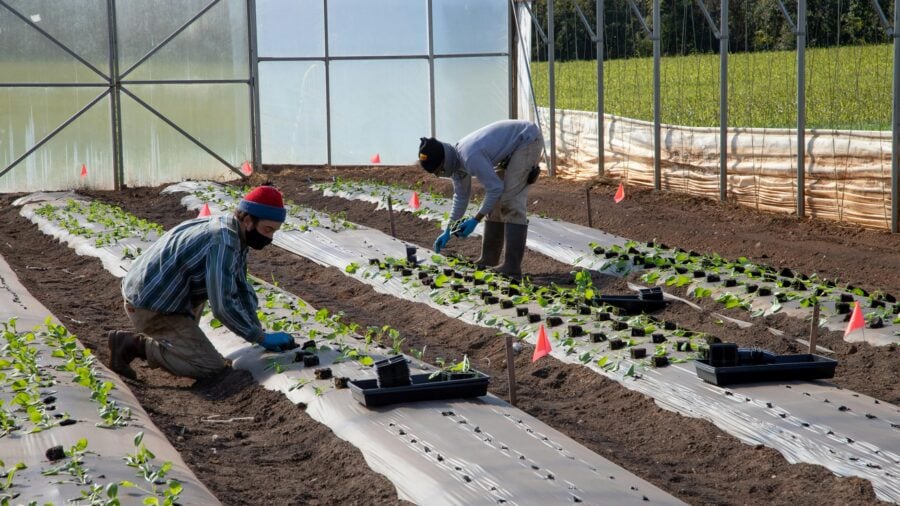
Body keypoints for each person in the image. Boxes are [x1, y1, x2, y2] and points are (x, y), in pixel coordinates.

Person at [106, 185, 295, 380]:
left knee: (201, 342)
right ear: (248, 220)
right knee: (210, 366)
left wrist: (257, 329)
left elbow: (239, 286)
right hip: (151, 304)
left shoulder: (233, 231)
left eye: (274, 232)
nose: (269, 238)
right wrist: (260, 338)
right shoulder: (223, 242)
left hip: (168, 295)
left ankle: (179, 345)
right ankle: (133, 345)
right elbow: (222, 305)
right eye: (267, 229)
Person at [417, 119, 543, 277]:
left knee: (511, 201)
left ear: (444, 161)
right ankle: (489, 258)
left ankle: (512, 266)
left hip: (527, 140)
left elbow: (495, 188)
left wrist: (476, 219)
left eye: (439, 170)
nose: (439, 175)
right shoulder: (455, 163)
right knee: (495, 203)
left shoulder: (469, 157)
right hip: (512, 149)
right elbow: (461, 197)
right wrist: (449, 229)